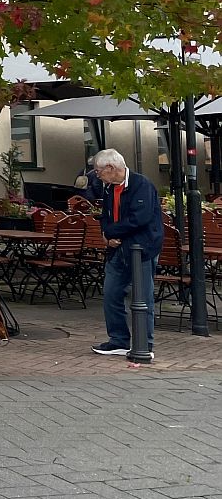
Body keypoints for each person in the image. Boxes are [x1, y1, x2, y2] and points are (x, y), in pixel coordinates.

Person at [90, 147, 163, 359]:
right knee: (111, 294)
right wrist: (107, 234)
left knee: (143, 298)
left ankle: (145, 344)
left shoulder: (142, 185)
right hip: (117, 249)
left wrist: (111, 232)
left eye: (98, 171)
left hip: (141, 249)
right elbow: (105, 214)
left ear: (111, 168)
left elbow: (140, 217)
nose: (97, 175)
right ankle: (118, 340)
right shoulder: (108, 188)